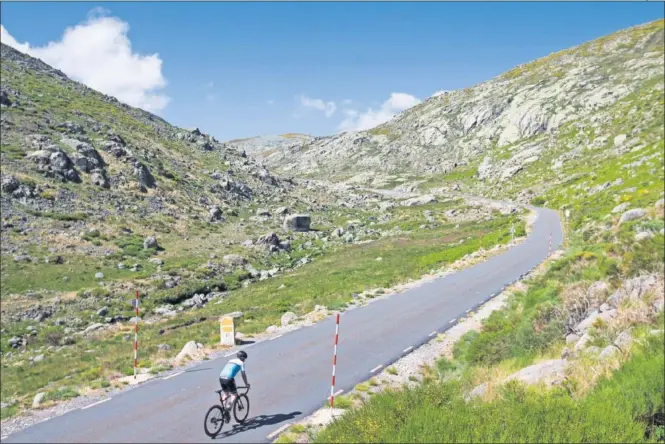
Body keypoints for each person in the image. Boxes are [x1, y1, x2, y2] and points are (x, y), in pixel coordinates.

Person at [219, 350, 250, 416]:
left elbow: (229, 370)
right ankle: (227, 409)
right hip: (229, 379)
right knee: (234, 395)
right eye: (244, 358)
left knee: (225, 394)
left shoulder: (230, 360)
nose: (244, 360)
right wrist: (246, 384)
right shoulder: (241, 363)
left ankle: (222, 410)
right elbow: (243, 374)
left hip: (221, 377)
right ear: (242, 358)